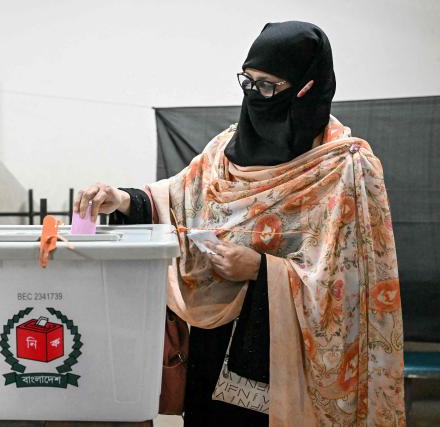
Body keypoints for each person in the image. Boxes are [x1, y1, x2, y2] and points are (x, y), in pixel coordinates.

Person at [74, 21, 404, 427]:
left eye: (269, 87)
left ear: (308, 86)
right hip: (214, 347)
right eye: (248, 82)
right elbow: (179, 199)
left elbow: (355, 285)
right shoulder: (225, 151)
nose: (255, 96)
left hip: (293, 358)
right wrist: (122, 198)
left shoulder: (346, 168)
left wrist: (262, 269)